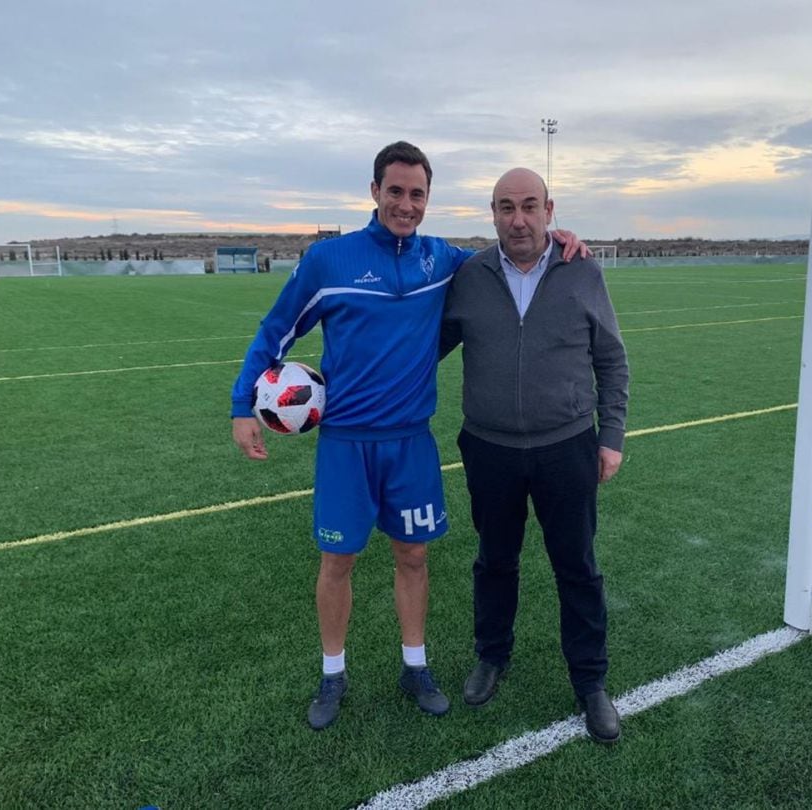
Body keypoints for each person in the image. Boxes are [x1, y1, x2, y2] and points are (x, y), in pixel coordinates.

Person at [230, 143, 585, 731]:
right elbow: (277, 329)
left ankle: (415, 667)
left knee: (414, 556)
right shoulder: (328, 261)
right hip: (345, 443)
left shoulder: (444, 262)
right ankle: (332, 674)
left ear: (428, 199)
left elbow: (511, 250)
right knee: (337, 560)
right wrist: (244, 404)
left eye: (417, 194)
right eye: (395, 191)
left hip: (411, 443)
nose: (406, 204)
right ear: (375, 192)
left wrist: (559, 237)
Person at [440, 168, 629, 744]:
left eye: (528, 206)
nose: (517, 219)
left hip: (565, 447)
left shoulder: (583, 271)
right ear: (491, 212)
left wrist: (611, 436)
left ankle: (590, 682)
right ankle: (492, 656)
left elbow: (612, 361)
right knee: (495, 561)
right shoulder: (469, 277)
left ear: (549, 209)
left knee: (577, 566)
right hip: (489, 447)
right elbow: (423, 349)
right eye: (505, 207)